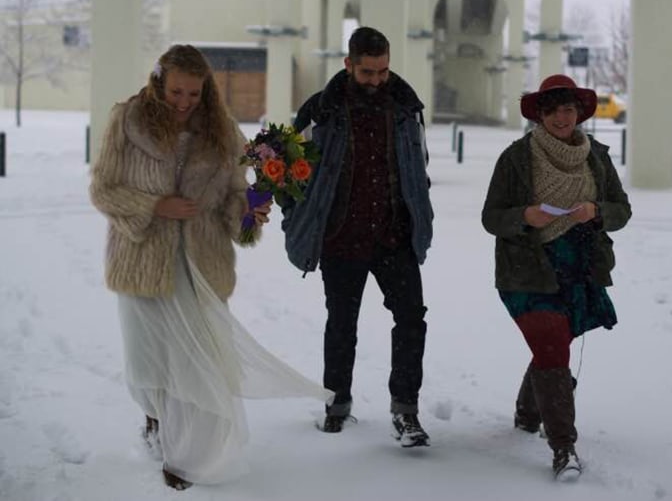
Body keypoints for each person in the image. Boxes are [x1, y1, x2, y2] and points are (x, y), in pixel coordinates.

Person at [90, 44, 333, 490]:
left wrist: (250, 213)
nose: (184, 102)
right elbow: (103, 189)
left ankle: (182, 456)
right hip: (142, 262)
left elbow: (235, 194)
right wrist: (154, 205)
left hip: (201, 263)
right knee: (149, 364)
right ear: (158, 82)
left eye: (194, 94)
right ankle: (156, 420)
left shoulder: (223, 131)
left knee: (192, 364)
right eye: (176, 91)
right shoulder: (126, 121)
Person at [284, 27, 434, 447]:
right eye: (368, 72)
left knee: (411, 318)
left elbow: (419, 165)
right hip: (341, 236)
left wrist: (420, 215)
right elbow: (289, 175)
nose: (376, 80)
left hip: (394, 235)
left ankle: (406, 411)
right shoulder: (320, 111)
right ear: (348, 64)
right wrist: (298, 218)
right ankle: (337, 403)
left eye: (383, 71)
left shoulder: (406, 108)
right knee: (342, 323)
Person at [481, 74, 631, 480]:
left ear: (579, 113)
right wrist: (525, 216)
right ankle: (564, 446)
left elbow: (622, 209)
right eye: (553, 111)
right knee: (551, 342)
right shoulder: (516, 157)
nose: (562, 118)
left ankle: (529, 412)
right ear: (541, 115)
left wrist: (597, 211)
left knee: (554, 345)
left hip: (579, 268)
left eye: (569, 109)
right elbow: (491, 217)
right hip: (525, 271)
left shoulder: (595, 155)